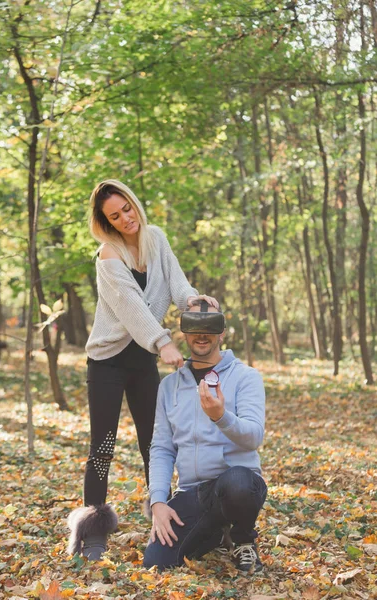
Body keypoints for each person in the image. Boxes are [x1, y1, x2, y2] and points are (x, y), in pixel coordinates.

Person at [67, 180, 218, 560]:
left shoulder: (156, 238)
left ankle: (165, 521)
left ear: (134, 204)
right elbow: (132, 307)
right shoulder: (108, 256)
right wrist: (164, 342)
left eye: (127, 209)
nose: (125, 219)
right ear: (106, 222)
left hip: (141, 361)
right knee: (102, 446)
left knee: (156, 443)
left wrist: (194, 299)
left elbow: (177, 283)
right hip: (108, 360)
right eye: (115, 216)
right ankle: (94, 532)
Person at [143, 300, 267, 573]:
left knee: (237, 482)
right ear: (184, 333)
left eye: (210, 327)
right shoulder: (169, 386)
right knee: (156, 563)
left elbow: (254, 437)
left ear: (222, 332)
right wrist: (159, 502)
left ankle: (243, 538)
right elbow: (162, 448)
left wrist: (221, 417)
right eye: (194, 327)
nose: (202, 334)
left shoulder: (246, 377)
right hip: (194, 492)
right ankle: (215, 533)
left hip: (239, 484)